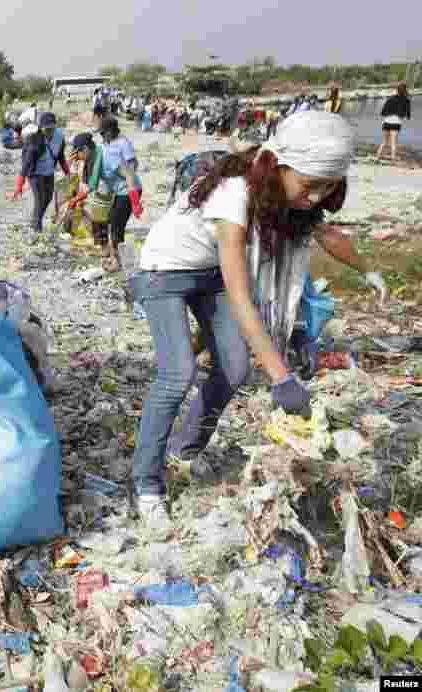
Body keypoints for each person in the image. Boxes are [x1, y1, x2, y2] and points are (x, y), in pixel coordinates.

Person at [128, 112, 374, 531]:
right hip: (163, 272)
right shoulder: (234, 195)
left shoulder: (281, 198)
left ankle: (184, 451)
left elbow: (326, 234)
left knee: (236, 369)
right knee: (177, 374)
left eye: (328, 187)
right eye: (310, 185)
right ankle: (147, 486)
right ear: (278, 165)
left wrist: (370, 271)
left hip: (207, 276)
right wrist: (281, 379)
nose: (315, 197)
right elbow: (242, 300)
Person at [88, 116, 143, 272]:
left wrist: (135, 202)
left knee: (116, 226)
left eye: (103, 133)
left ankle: (118, 262)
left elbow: (130, 172)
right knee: (112, 221)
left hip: (128, 190)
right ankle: (116, 258)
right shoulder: (104, 148)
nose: (101, 136)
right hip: (120, 190)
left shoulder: (118, 147)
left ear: (111, 131)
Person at [9, 112, 69, 238]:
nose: (49, 132)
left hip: (49, 172)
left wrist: (68, 174)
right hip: (35, 174)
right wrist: (19, 186)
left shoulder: (60, 137)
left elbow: (61, 157)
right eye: (46, 129)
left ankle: (35, 222)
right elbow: (26, 165)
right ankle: (37, 229)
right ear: (41, 128)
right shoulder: (34, 141)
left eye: (51, 128)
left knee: (48, 199)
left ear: (55, 126)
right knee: (40, 200)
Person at [377, 83, 412, 162]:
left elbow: (383, 112)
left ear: (397, 90)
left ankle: (377, 157)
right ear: (405, 90)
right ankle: (393, 159)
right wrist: (403, 116)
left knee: (384, 141)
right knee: (393, 142)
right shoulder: (406, 100)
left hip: (387, 121)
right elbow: (408, 115)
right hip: (396, 122)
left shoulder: (390, 99)